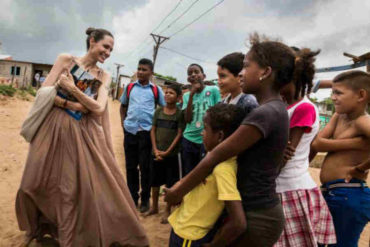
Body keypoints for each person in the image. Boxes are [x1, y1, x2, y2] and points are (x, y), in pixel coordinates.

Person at [165, 34, 312, 247]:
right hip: (257, 209)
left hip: (258, 216)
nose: (241, 73)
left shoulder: (265, 113)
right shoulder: (273, 109)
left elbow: (217, 154)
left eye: (246, 66)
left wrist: (179, 189)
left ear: (265, 72)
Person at [15, 27, 149, 246]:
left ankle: (65, 235)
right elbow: (44, 92)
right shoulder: (66, 60)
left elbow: (98, 107)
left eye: (111, 50)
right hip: (50, 129)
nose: (108, 53)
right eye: (105, 47)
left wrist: (71, 91)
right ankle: (34, 227)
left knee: (68, 190)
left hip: (80, 134)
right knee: (31, 182)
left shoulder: (103, 75)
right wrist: (72, 103)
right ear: (92, 41)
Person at [274, 48, 336, 247]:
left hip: (290, 190)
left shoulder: (304, 107)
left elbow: (286, 154)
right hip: (282, 187)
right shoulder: (285, 104)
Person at [168, 104, 246, 247]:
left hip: (190, 236)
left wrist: (215, 245)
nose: (202, 133)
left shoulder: (223, 169)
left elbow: (238, 223)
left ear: (220, 136)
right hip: (185, 230)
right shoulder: (215, 159)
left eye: (205, 128)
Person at [311, 70, 370, 247]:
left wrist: (360, 168)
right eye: (332, 93)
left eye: (338, 93)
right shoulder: (339, 116)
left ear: (361, 95)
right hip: (333, 193)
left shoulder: (363, 121)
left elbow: (322, 143)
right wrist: (356, 144)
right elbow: (317, 143)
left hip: (349, 193)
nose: (333, 97)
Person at [120, 58, 165, 213]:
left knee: (146, 168)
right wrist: (123, 125)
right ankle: (132, 198)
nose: (140, 72)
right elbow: (123, 107)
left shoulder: (156, 90)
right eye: (139, 69)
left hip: (146, 133)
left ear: (151, 72)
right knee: (131, 167)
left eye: (144, 69)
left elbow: (163, 109)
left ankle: (145, 200)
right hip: (130, 131)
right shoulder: (130, 87)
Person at [146, 83, 184, 224]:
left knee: (170, 182)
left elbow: (179, 134)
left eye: (171, 93)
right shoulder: (159, 111)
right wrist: (155, 150)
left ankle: (167, 210)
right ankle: (154, 206)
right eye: (166, 92)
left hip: (171, 155)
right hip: (156, 154)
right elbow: (152, 130)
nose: (168, 95)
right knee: (154, 182)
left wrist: (167, 152)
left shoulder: (180, 114)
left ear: (179, 97)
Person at [182, 63, 221, 175]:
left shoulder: (213, 90)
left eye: (196, 72)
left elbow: (218, 113)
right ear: (188, 79)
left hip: (207, 140)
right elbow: (188, 119)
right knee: (189, 173)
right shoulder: (186, 96)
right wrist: (191, 95)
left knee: (206, 174)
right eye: (190, 73)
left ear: (203, 76)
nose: (193, 75)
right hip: (189, 139)